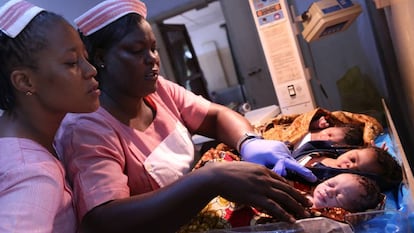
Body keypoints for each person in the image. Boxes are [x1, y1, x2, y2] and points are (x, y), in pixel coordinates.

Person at [54, 1, 316, 232]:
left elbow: (214, 116)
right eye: (136, 51)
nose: (152, 59)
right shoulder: (87, 128)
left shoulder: (157, 91)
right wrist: (207, 180)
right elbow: (105, 219)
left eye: (153, 48)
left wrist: (248, 141)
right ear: (100, 57)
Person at [0, 0, 100, 232]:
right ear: (25, 81)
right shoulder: (32, 174)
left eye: (86, 58)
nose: (91, 70)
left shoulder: (32, 139)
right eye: (72, 62)